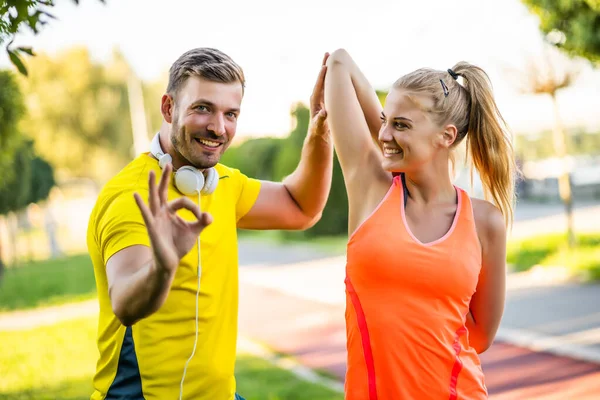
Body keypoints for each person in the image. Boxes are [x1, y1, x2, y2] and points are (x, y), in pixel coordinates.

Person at [86, 48, 333, 400]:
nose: (218, 128)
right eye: (203, 108)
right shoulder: (130, 196)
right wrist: (163, 267)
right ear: (169, 108)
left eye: (230, 114)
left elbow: (302, 207)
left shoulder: (221, 183)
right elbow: (124, 302)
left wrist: (320, 130)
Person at [323, 49, 517, 399]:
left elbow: (482, 335)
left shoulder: (485, 221)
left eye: (401, 125)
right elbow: (339, 63)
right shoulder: (371, 191)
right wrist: (395, 128)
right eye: (383, 120)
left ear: (446, 136)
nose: (382, 134)